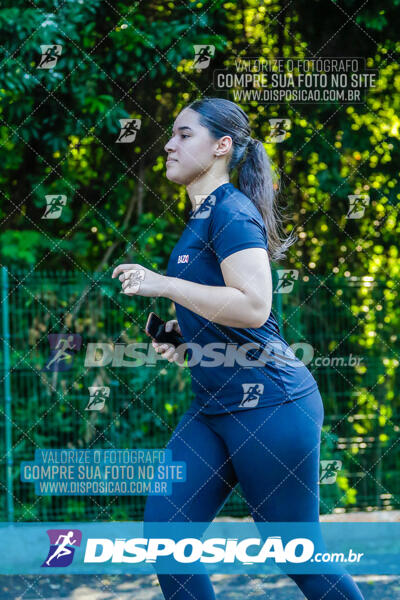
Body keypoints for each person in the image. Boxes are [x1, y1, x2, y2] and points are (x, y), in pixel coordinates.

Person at [112, 97, 365, 599]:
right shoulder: (201, 217)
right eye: (171, 134)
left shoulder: (231, 211)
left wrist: (163, 285)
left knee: (297, 553)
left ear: (222, 146)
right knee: (167, 539)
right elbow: (226, 312)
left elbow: (253, 307)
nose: (169, 143)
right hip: (213, 406)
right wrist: (186, 338)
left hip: (271, 404)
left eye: (185, 134)